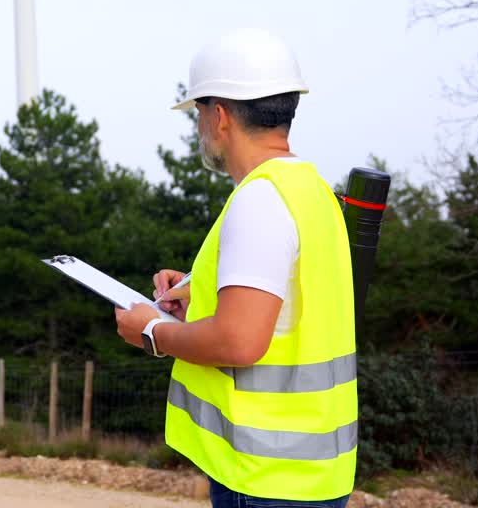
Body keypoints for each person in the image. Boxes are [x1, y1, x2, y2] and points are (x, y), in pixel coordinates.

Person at [114, 29, 357, 507]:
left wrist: (153, 332)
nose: (200, 125)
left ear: (219, 116)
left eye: (199, 112)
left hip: (264, 476)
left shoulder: (259, 200)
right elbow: (288, 305)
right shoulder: (312, 190)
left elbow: (239, 341)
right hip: (313, 474)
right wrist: (198, 290)